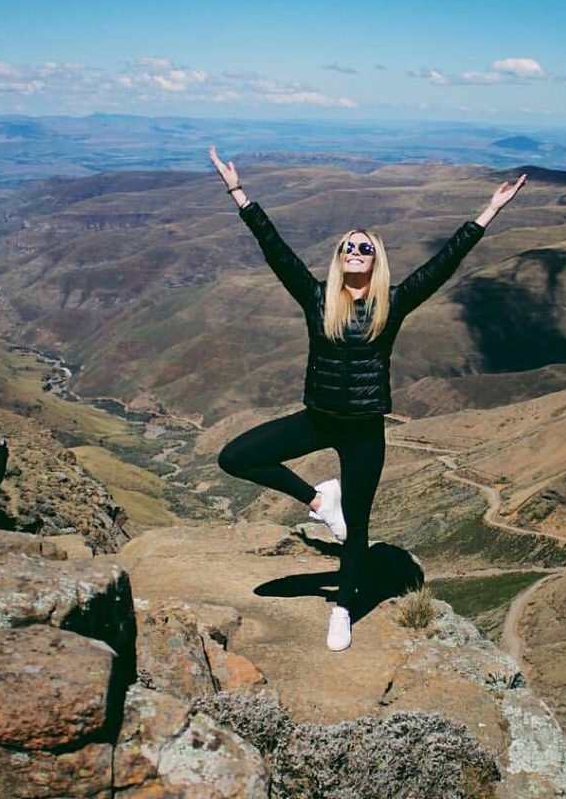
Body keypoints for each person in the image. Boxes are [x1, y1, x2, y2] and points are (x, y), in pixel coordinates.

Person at [209, 146, 526, 651]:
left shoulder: (391, 304)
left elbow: (444, 264)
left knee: (357, 528)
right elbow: (274, 249)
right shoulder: (316, 298)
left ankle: (343, 608)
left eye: (365, 248)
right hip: (317, 418)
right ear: (338, 259)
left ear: (376, 259)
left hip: (363, 431)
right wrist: (238, 192)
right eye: (348, 248)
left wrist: (489, 210)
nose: (355, 252)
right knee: (237, 457)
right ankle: (318, 499)